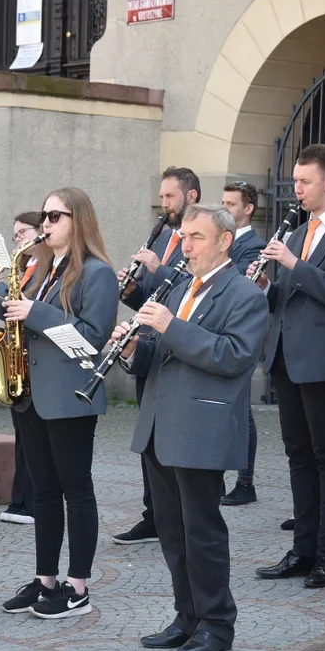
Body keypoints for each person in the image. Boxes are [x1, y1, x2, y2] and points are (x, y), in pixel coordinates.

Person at [113, 202, 268, 651]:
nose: (185, 245)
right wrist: (130, 349)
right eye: (183, 236)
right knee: (171, 529)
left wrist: (170, 326)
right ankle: (187, 616)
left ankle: (217, 625)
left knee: (201, 530)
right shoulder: (179, 286)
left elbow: (234, 356)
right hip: (161, 423)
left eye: (196, 237)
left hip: (202, 426)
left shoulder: (245, 294)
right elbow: (159, 354)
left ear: (225, 241)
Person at [0, 188, 115, 619]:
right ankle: (46, 581)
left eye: (55, 215)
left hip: (70, 396)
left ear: (78, 219)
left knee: (76, 491)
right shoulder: (41, 267)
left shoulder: (97, 273)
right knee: (42, 492)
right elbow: (27, 316)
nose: (46, 222)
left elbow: (92, 339)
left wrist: (33, 312)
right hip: (31, 394)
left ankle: (77, 587)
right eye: (44, 214)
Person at [250, 143, 325, 589]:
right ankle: (301, 549)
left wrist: (293, 264)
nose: (296, 190)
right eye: (295, 181)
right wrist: (265, 283)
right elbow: (285, 296)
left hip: (323, 362)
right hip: (286, 357)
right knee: (297, 455)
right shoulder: (299, 233)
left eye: (304, 182)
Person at [113, 167, 201, 545]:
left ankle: (178, 514)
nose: (163, 205)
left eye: (170, 197)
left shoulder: (198, 239)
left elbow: (190, 288)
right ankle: (154, 514)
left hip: (176, 345)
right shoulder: (165, 236)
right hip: (148, 343)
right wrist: (131, 289)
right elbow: (153, 294)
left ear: (191, 197)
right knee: (146, 437)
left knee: (171, 439)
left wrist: (156, 266)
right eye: (162, 197)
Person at [0, 211, 43, 526]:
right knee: (21, 434)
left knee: (33, 436)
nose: (19, 239)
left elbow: (30, 307)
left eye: (23, 232)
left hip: (34, 357)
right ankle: (20, 499)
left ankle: (32, 501)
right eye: (16, 235)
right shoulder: (25, 268)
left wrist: (0, 291)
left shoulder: (43, 271)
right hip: (17, 355)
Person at [220, 181, 267, 506]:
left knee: (241, 409)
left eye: (231, 204)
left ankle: (245, 481)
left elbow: (239, 282)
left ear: (248, 208)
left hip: (238, 330)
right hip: (216, 331)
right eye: (222, 203)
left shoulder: (253, 244)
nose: (224, 209)